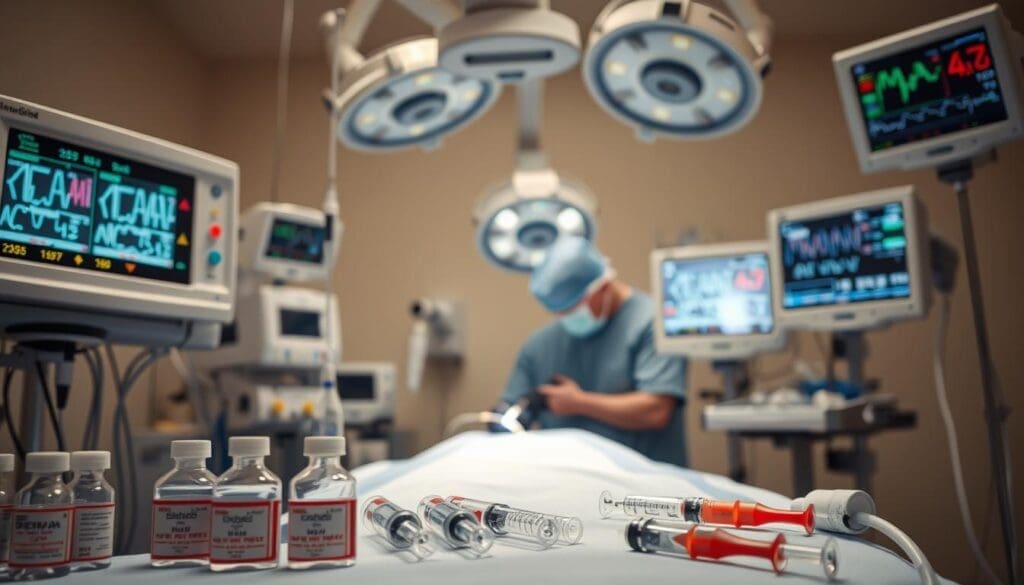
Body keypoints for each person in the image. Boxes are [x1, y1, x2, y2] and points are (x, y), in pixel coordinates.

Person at [499, 236, 688, 466]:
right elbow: (506, 415)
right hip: (567, 483)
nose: (565, 319)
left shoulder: (653, 324)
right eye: (558, 312)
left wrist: (579, 402)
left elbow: (656, 411)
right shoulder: (540, 344)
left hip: (647, 487)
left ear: (604, 287)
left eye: (573, 309)